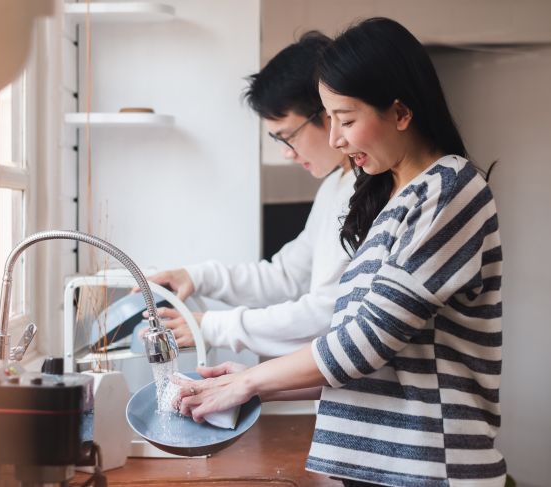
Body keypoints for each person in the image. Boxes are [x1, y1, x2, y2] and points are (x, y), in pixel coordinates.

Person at [175, 17, 506, 487]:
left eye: (346, 120)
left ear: (400, 112)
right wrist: (260, 385)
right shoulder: (388, 198)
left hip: (431, 468)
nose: (335, 139)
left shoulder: (449, 188)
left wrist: (251, 379)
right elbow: (380, 362)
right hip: (379, 468)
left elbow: (367, 341)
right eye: (329, 120)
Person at [146, 31, 355, 357]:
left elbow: (326, 314)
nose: (287, 152)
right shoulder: (335, 186)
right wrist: (198, 276)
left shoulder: (370, 192)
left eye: (289, 136)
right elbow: (286, 277)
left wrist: (213, 326)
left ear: (329, 113)